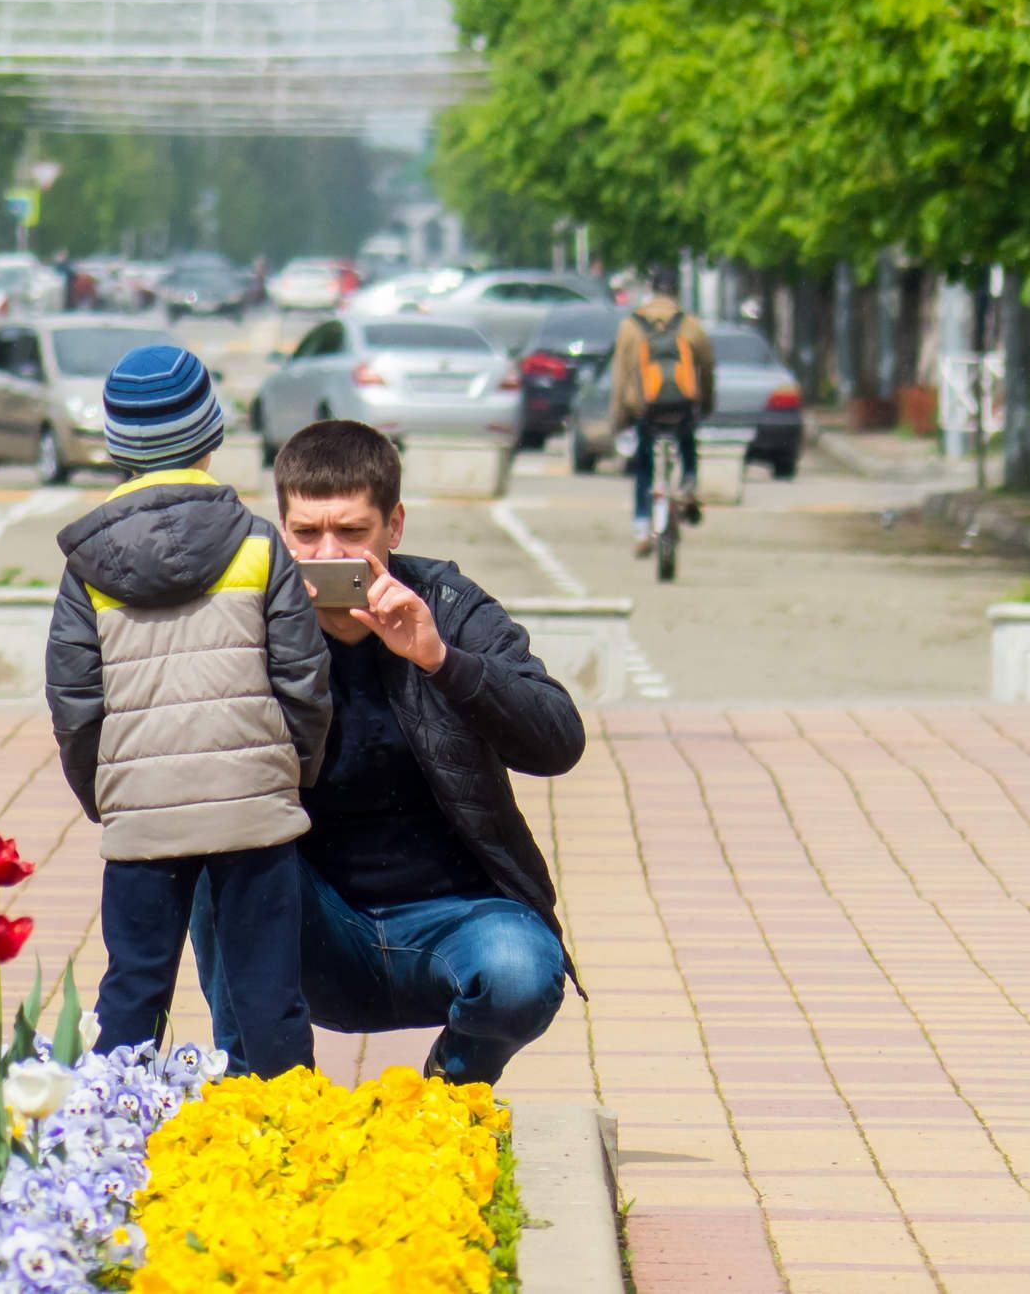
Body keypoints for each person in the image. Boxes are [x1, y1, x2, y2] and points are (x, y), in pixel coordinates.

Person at [190, 420, 585, 1086]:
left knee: (522, 974)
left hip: (454, 917)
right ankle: (252, 1098)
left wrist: (438, 659)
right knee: (215, 844)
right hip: (315, 925)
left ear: (394, 527)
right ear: (278, 530)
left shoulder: (449, 607)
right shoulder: (247, 616)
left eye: (351, 532)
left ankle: (448, 1099)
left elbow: (558, 741)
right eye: (306, 533)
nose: (327, 552)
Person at [45, 345, 332, 1077]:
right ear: (211, 435)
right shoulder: (259, 548)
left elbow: (76, 703)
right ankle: (287, 1142)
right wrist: (286, 778)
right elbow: (303, 681)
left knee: (133, 994)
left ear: (115, 448)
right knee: (269, 996)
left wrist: (108, 796)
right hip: (254, 811)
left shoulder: (87, 566)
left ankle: (112, 1145)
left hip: (142, 813)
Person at [610, 280, 716, 553]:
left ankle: (643, 527)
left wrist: (620, 419)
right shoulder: (690, 324)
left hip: (645, 410)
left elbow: (620, 376)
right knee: (687, 444)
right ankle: (688, 484)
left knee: (644, 465)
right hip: (681, 407)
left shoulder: (630, 327)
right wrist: (704, 405)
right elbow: (706, 368)